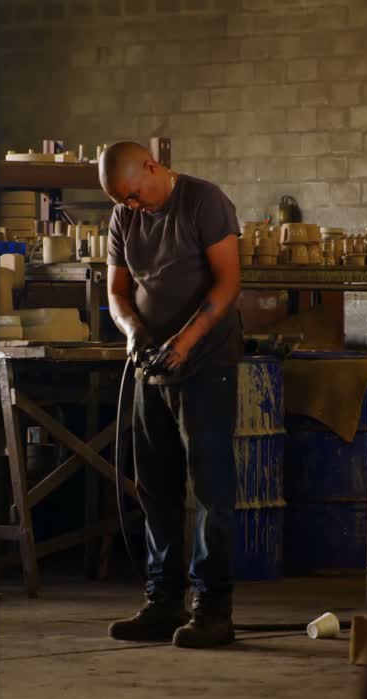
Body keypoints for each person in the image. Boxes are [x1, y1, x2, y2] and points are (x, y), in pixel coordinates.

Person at [100, 141, 243, 649]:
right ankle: (163, 601)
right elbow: (117, 292)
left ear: (153, 168)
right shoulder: (123, 217)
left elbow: (228, 284)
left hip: (206, 364)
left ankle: (213, 608)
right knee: (155, 485)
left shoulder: (205, 202)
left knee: (210, 486)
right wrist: (133, 333)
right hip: (150, 365)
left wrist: (184, 343)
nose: (134, 208)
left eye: (137, 196)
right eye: (126, 203)